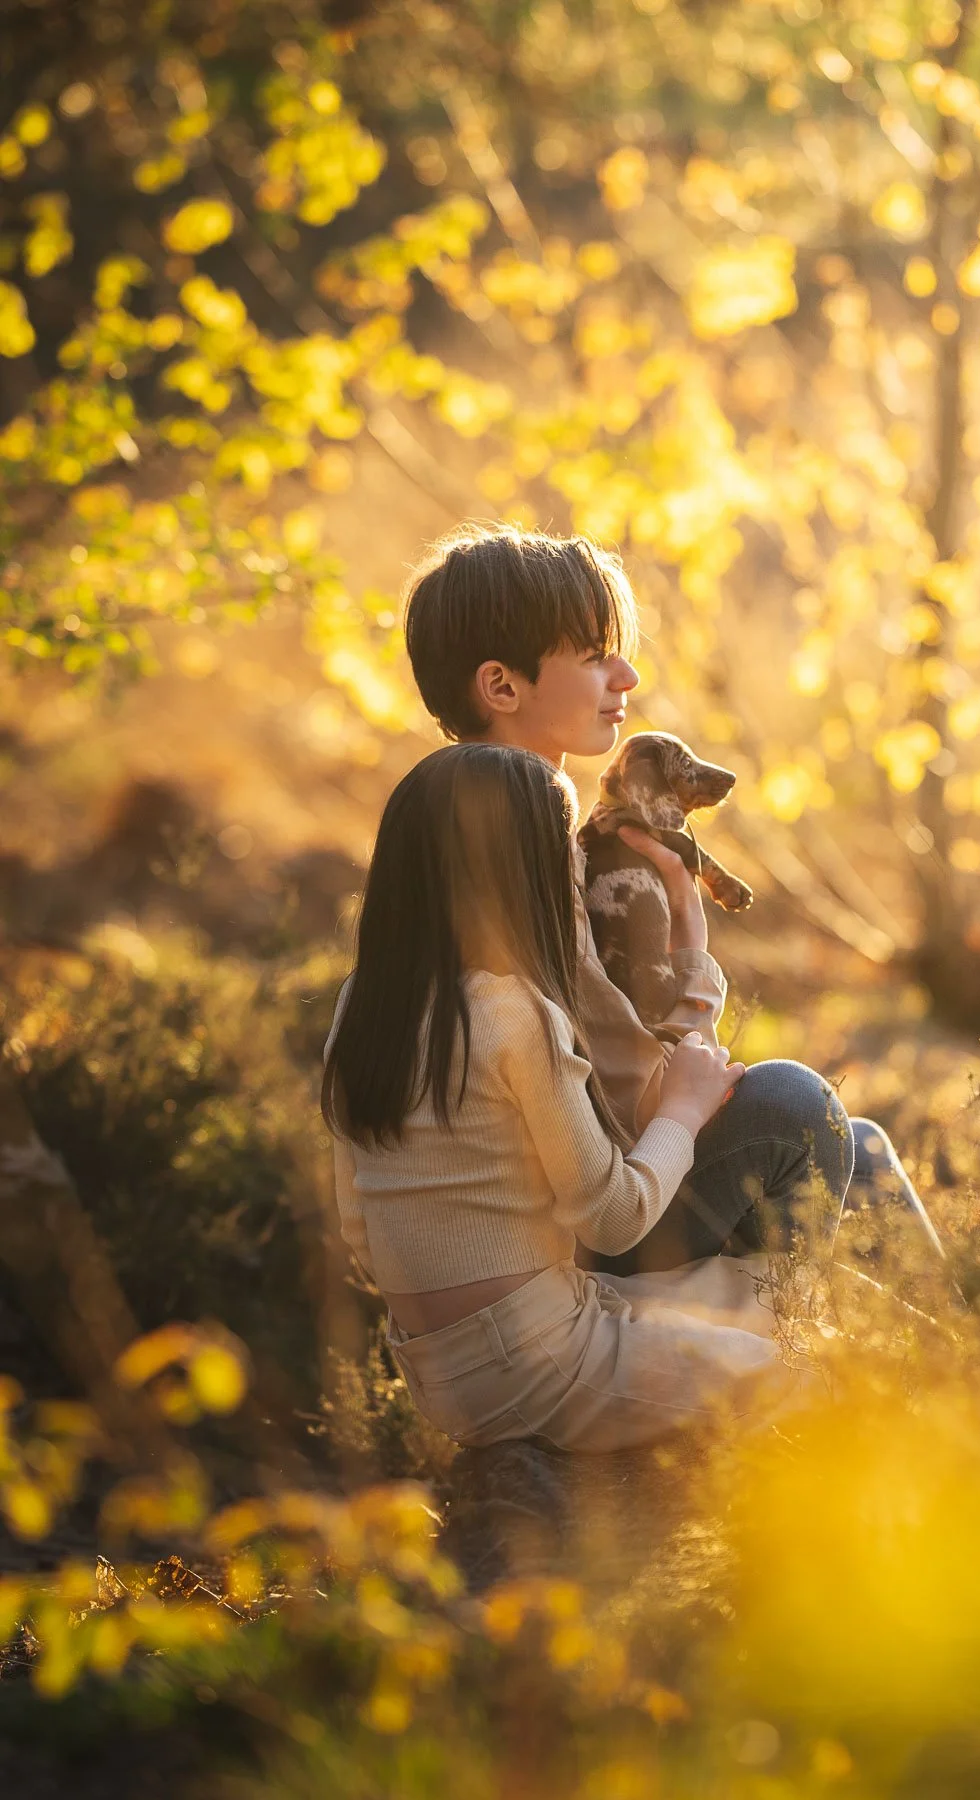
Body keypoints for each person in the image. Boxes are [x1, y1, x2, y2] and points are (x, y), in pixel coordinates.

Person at [399, 522, 942, 1273]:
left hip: (587, 1186)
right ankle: (817, 1357)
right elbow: (631, 1079)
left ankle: (957, 1371)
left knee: (867, 1146)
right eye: (594, 657)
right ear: (501, 685)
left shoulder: (444, 820)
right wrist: (691, 950)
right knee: (794, 1108)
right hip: (597, 1218)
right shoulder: (525, 845)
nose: (626, 677)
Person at [323, 744, 797, 1451]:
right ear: (529, 875)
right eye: (566, 853)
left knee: (766, 1295)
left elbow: (356, 1218)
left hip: (436, 1364)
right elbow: (612, 1219)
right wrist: (685, 1111)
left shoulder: (362, 1003)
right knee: (796, 1370)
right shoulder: (517, 1014)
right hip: (541, 1357)